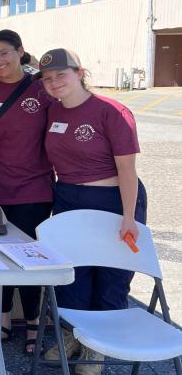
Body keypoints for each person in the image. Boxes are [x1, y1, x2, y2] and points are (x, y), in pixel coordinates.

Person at [39, 48, 146, 374]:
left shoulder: (111, 111)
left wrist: (128, 216)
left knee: (111, 276)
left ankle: (94, 350)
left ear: (79, 72)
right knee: (72, 275)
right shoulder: (53, 111)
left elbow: (127, 169)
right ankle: (73, 336)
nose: (55, 82)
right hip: (70, 199)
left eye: (61, 74)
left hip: (113, 199)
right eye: (47, 78)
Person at [0, 30, 54, 353]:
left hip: (34, 190)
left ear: (20, 51)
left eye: (4, 53)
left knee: (29, 260)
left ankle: (34, 325)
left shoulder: (41, 88)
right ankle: (1, 322)